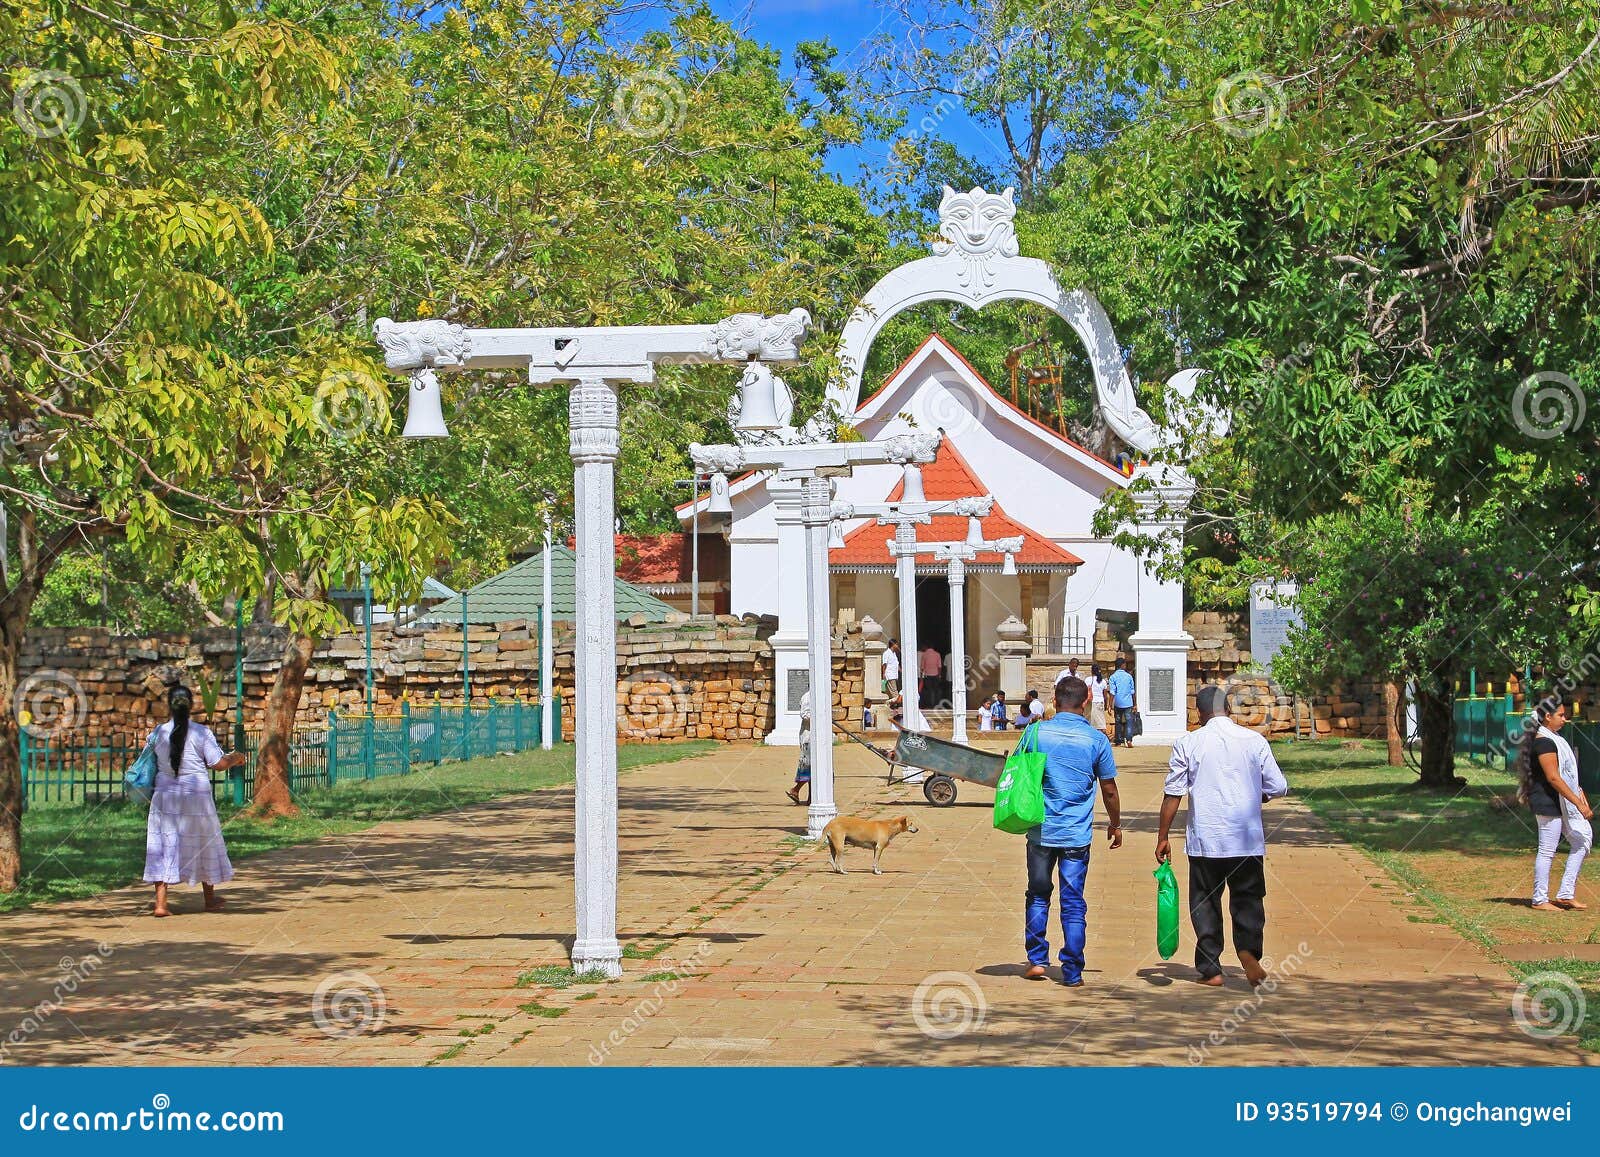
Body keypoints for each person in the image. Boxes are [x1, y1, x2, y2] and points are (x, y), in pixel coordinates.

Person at [1156, 685, 1289, 987]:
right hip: (1246, 840)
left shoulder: (1188, 743)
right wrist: (1260, 795)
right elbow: (1278, 786)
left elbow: (1173, 793)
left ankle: (1211, 968)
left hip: (1206, 840)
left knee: (1205, 902)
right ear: (1228, 709)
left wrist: (1163, 836)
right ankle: (1248, 952)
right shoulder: (1254, 740)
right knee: (1248, 899)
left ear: (1199, 714)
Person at [1023, 676, 1121, 986]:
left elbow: (1018, 773)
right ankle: (1072, 970)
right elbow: (1109, 789)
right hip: (1077, 834)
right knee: (1073, 901)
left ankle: (1037, 960)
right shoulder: (1096, 740)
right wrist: (1115, 824)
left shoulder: (1035, 732)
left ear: (1054, 699)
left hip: (1040, 831)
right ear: (1086, 700)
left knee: (1038, 895)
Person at [143, 684, 247, 917]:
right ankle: (209, 900)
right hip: (197, 796)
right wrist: (234, 758)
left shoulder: (157, 734)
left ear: (168, 705)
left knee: (163, 844)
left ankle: (161, 904)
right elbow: (218, 764)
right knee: (203, 842)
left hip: (165, 795)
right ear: (191, 706)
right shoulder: (201, 733)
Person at [1520, 692, 1591, 912]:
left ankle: (1565, 894)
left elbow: (1567, 775)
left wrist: (1579, 794)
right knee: (1547, 850)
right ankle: (1539, 899)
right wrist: (1577, 803)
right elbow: (1553, 777)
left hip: (1560, 801)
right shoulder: (1545, 743)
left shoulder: (1554, 739)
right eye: (1561, 715)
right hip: (1548, 802)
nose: (1565, 719)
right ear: (1548, 717)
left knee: (1582, 839)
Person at [788, 690, 812, 805]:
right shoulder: (807, 697)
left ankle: (811, 797)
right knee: (809, 767)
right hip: (809, 738)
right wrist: (820, 717)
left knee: (818, 769)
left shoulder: (822, 695)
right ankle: (796, 790)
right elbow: (805, 715)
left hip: (820, 737)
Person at [1108, 657, 1137, 747]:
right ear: (1122, 665)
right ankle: (1129, 740)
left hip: (1118, 702)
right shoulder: (1128, 676)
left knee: (1118, 721)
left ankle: (1118, 740)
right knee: (1129, 721)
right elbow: (1132, 691)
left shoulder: (1113, 677)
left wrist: (1109, 705)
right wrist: (1135, 704)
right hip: (1128, 702)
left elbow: (1112, 692)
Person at [1087, 663, 1110, 736]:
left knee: (1090, 722)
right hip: (1099, 702)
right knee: (1100, 723)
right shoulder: (1103, 681)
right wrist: (1107, 705)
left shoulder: (1088, 680)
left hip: (1090, 703)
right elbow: (1105, 695)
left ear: (1092, 671)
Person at [920, 644, 943, 708]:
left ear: (927, 647)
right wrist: (939, 675)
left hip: (927, 675)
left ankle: (929, 704)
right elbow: (939, 666)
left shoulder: (924, 654)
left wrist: (922, 677)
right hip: (936, 675)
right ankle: (936, 704)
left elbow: (922, 667)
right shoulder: (937, 654)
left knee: (928, 691)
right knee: (936, 690)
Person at [883, 639, 902, 705]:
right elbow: (884, 664)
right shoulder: (886, 653)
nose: (897, 645)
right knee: (895, 692)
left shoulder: (894, 654)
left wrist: (902, 671)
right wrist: (883, 673)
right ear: (893, 644)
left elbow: (896, 664)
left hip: (894, 675)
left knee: (892, 692)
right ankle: (889, 703)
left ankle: (891, 704)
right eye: (896, 644)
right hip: (890, 675)